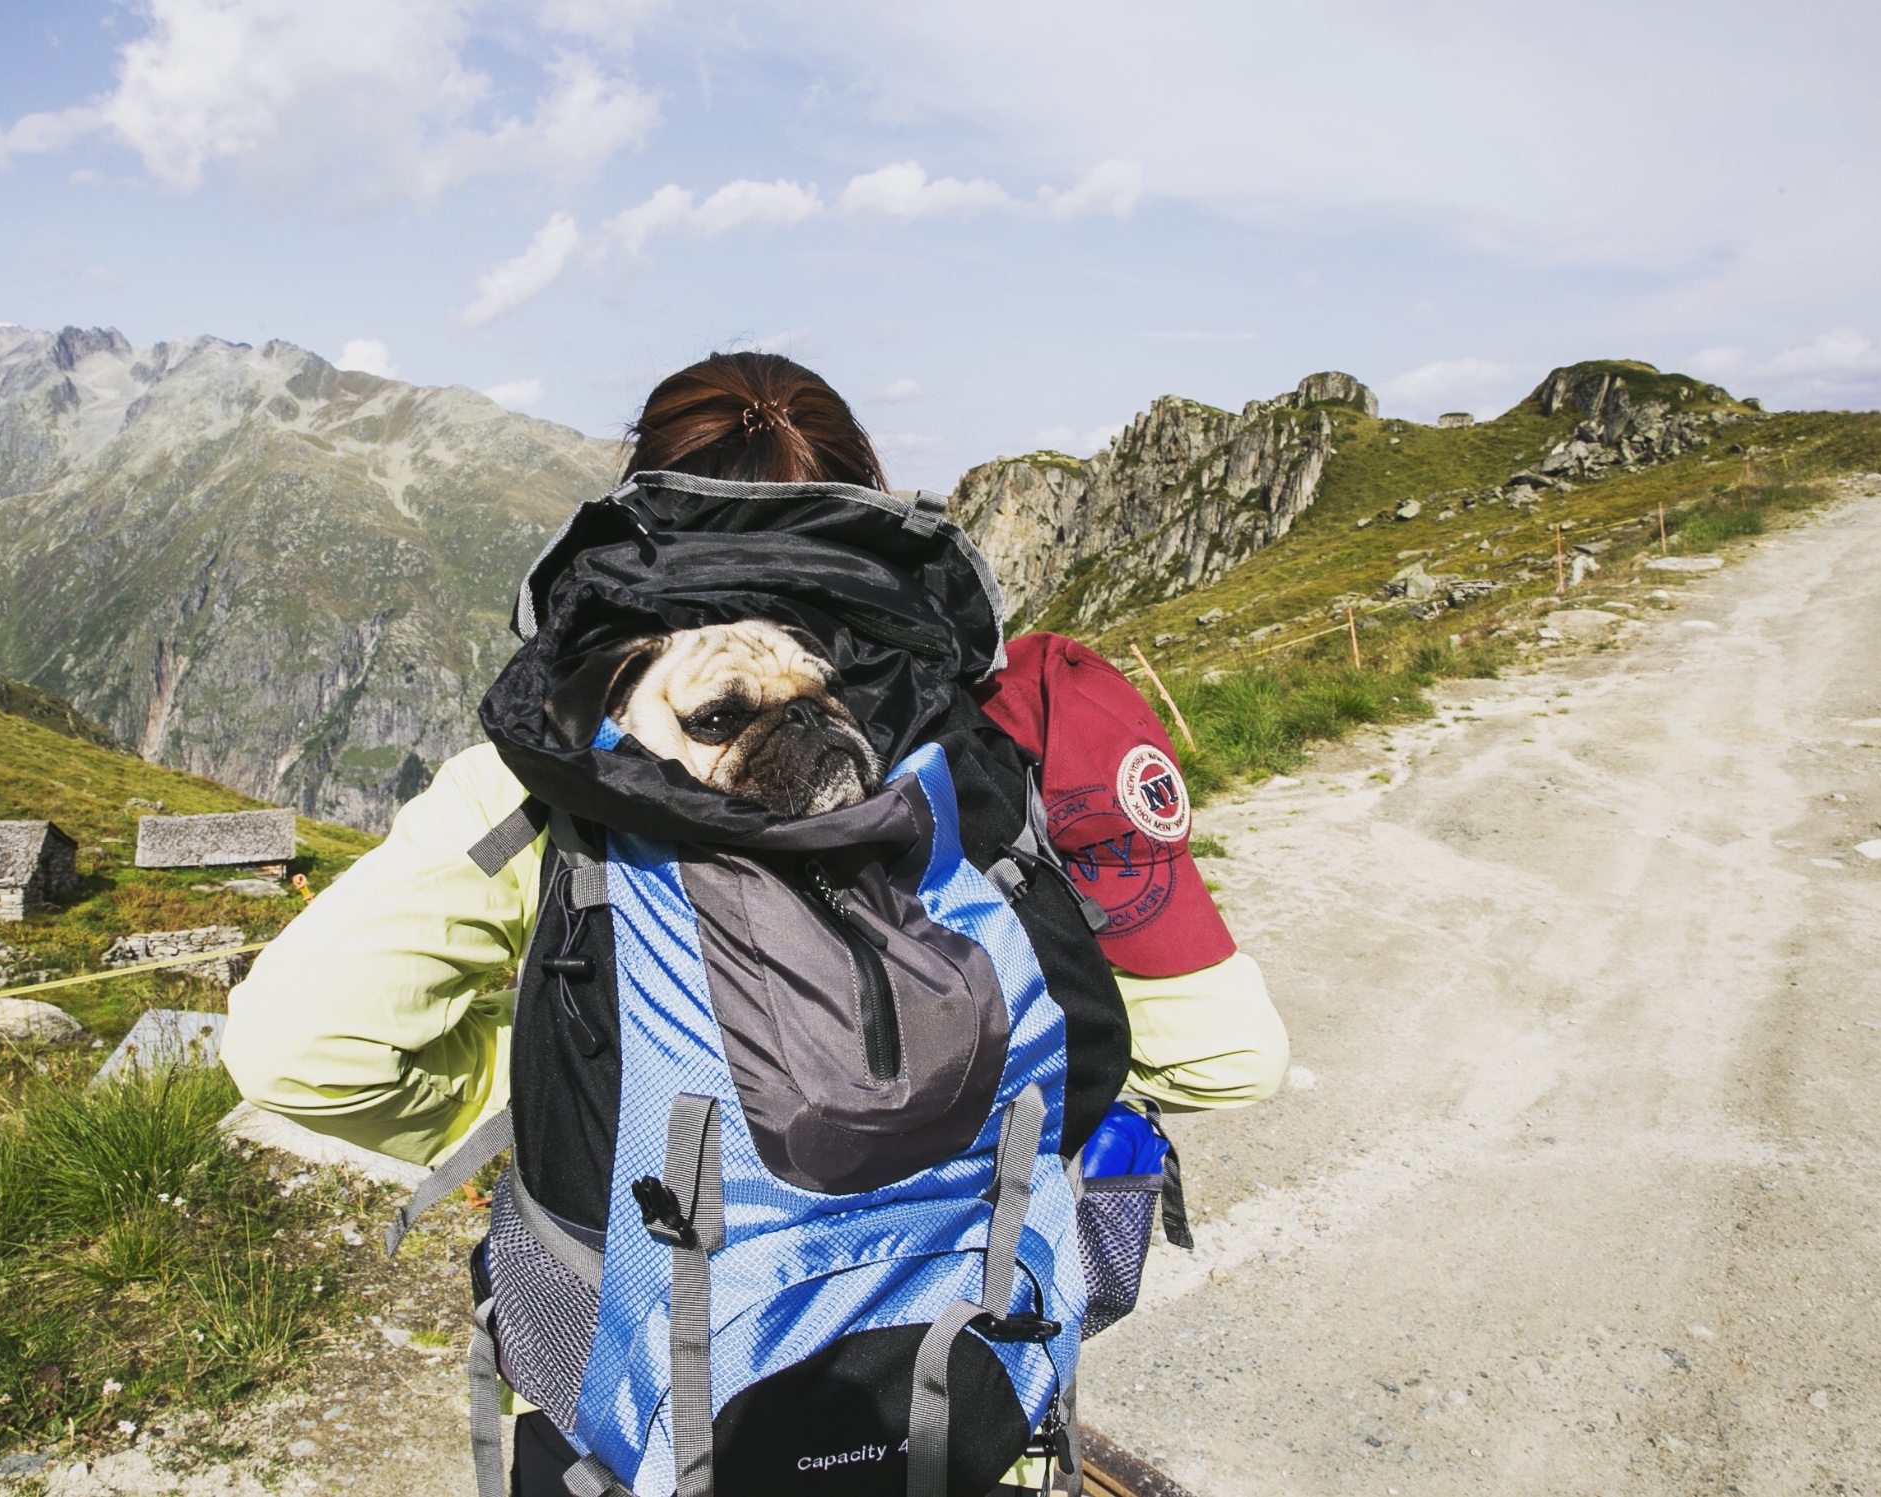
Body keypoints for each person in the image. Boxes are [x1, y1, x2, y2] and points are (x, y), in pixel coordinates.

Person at [221, 351, 1288, 1493]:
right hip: (951, 1405)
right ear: (872, 504)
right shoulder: (992, 743)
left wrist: (582, 1096)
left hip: (646, 1422)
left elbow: (294, 1049)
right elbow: (1232, 1061)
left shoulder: (538, 779)